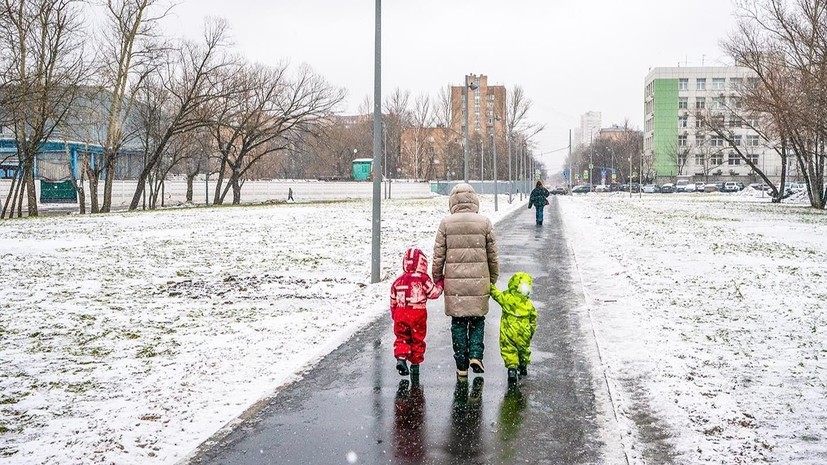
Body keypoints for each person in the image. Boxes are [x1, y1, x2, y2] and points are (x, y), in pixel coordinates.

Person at [432, 183, 499, 378]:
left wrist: (438, 279)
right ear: (474, 200)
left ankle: (461, 365)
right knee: (478, 320)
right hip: (479, 281)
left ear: (452, 202)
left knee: (459, 323)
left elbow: (438, 256)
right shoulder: (484, 223)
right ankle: (476, 355)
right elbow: (493, 255)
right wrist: (492, 279)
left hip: (455, 285)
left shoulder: (446, 223)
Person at [390, 248, 443, 377]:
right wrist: (441, 284)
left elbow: (393, 301)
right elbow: (433, 293)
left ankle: (401, 358)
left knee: (402, 337)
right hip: (417, 313)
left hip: (401, 313)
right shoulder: (422, 279)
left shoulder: (398, 281)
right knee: (417, 338)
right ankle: (415, 363)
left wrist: (395, 314)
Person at [489, 272, 537, 384]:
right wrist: (530, 332)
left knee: (509, 349)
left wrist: (490, 285)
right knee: (523, 350)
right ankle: (523, 365)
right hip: (523, 332)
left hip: (508, 331)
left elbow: (496, 294)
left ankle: (512, 369)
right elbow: (533, 319)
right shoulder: (529, 304)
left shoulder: (507, 298)